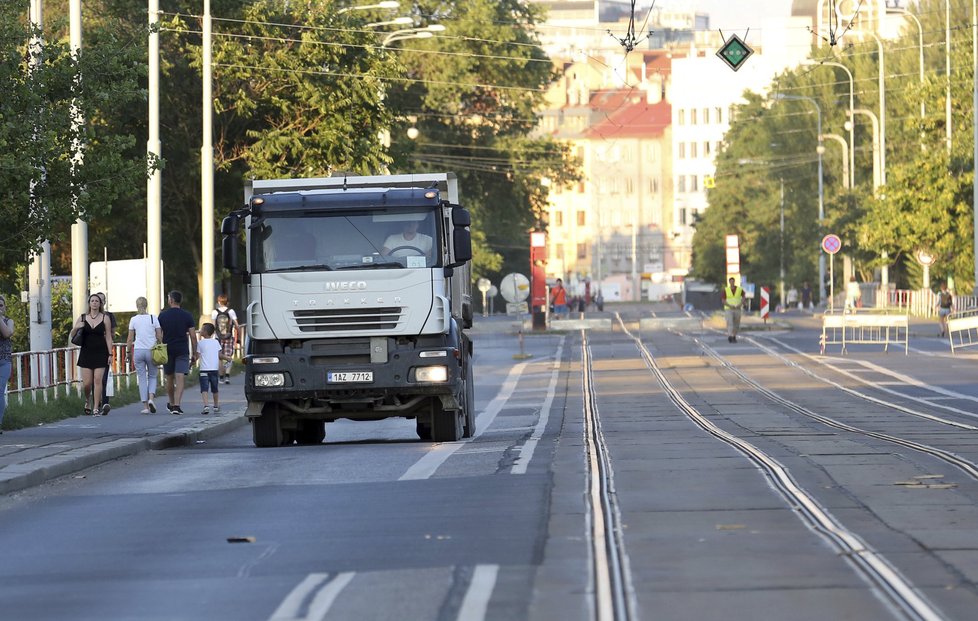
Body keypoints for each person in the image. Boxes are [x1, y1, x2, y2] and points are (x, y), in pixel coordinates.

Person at [68, 293, 114, 416]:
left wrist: (110, 354)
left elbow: (109, 337)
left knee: (98, 380)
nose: (94, 303)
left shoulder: (105, 318)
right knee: (87, 383)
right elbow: (72, 335)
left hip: (101, 352)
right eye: (92, 301)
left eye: (96, 301)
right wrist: (76, 327)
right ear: (89, 303)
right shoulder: (83, 317)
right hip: (86, 352)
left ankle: (95, 407)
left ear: (100, 304)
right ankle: (87, 400)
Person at [157, 290, 197, 415]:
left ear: (171, 300)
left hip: (167, 350)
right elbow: (193, 336)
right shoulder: (187, 315)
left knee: (169, 377)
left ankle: (171, 402)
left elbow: (159, 335)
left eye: (168, 298)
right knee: (180, 378)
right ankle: (177, 405)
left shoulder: (162, 316)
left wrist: (159, 347)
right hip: (182, 350)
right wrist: (195, 353)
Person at [126, 296, 163, 414]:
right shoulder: (153, 318)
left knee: (142, 378)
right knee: (152, 376)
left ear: (137, 306)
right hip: (151, 350)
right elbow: (159, 336)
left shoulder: (133, 320)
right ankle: (151, 399)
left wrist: (127, 352)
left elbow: (130, 338)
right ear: (147, 305)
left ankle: (146, 406)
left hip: (138, 351)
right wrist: (160, 346)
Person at [196, 323, 227, 415]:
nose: (200, 331)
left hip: (203, 370)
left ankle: (206, 406)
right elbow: (220, 355)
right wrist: (227, 358)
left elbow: (197, 356)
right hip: (214, 369)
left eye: (201, 329)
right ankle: (216, 406)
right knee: (215, 388)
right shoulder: (216, 342)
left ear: (205, 332)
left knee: (204, 388)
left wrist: (191, 363)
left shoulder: (200, 343)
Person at [95, 292, 117, 408]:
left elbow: (112, 335)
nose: (100, 302)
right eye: (98, 300)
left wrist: (105, 335)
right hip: (91, 349)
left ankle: (105, 403)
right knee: (93, 378)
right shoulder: (88, 316)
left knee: (104, 378)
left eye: (102, 300)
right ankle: (95, 402)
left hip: (105, 348)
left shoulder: (109, 316)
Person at [211, 294, 238, 384]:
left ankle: (221, 378)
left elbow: (213, 326)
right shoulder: (231, 311)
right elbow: (237, 325)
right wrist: (239, 337)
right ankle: (227, 376)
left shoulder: (215, 312)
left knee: (219, 358)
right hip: (229, 337)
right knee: (228, 357)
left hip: (218, 337)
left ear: (218, 302)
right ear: (227, 302)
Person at [0, 295, 14, 433]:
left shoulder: (9, 321)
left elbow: (6, 334)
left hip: (3, 361)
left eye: (1, 305)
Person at [721, 276, 744, 343]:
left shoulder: (739, 289)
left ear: (734, 282)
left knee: (736, 323)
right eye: (730, 282)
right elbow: (723, 300)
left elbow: (743, 297)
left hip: (737, 308)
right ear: (729, 282)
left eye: (733, 281)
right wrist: (729, 305)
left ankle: (734, 336)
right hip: (729, 309)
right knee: (730, 322)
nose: (732, 283)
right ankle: (730, 336)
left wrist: (740, 304)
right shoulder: (726, 290)